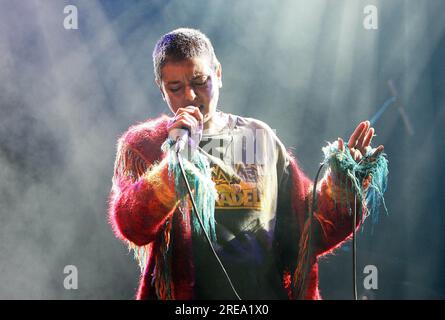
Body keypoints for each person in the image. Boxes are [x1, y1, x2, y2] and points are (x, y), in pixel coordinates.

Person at [107, 28, 388, 300]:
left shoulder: (259, 136)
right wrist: (172, 169)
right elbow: (131, 225)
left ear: (218, 74)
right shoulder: (145, 144)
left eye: (199, 81)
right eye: (176, 87)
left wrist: (343, 180)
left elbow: (308, 231)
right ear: (161, 89)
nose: (190, 96)